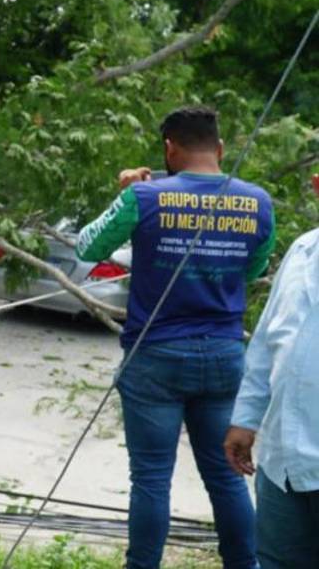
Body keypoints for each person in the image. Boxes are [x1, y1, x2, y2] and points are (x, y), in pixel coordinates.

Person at [75, 106, 276, 569]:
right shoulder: (258, 202)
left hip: (155, 356)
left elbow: (88, 246)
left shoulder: (145, 196)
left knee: (150, 479)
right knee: (226, 478)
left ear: (169, 148)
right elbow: (256, 268)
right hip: (225, 355)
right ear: (220, 148)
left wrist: (125, 195)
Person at [225, 196, 319, 568]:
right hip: (284, 461)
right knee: (275, 561)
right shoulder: (302, 250)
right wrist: (245, 418)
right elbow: (267, 341)